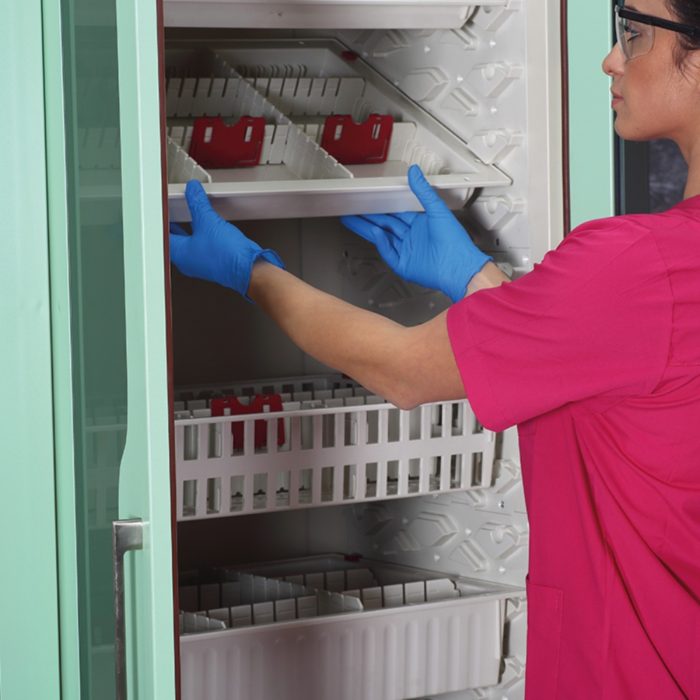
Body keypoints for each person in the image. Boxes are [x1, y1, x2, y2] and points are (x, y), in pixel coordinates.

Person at [169, 1, 700, 696]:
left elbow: (403, 372)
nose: (610, 59)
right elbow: (619, 375)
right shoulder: (657, 277)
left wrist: (251, 272)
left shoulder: (636, 267)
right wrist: (478, 280)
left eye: (633, 35)